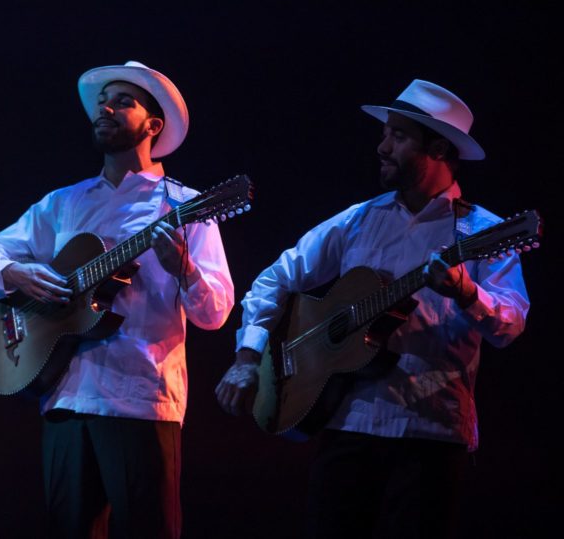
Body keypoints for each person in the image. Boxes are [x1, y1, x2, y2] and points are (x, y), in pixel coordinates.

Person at [215, 79, 530, 538]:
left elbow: (510, 325)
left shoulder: (485, 232)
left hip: (430, 433)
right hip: (347, 422)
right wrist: (248, 357)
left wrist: (466, 292)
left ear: (439, 148)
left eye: (398, 137)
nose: (382, 146)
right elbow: (274, 279)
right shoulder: (359, 219)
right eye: (385, 133)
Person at [0, 61, 234, 538]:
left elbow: (215, 314)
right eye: (104, 100)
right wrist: (16, 273)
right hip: (65, 396)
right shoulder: (63, 203)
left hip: (140, 398)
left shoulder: (185, 207)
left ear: (153, 126)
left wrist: (185, 270)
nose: (106, 107)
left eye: (123, 101)